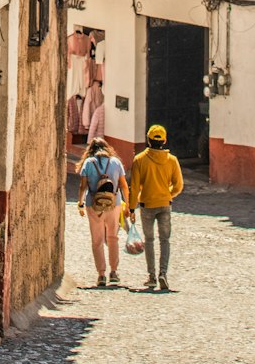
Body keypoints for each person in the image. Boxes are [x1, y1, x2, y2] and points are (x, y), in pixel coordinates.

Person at [127, 123, 183, 290]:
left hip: (147, 205)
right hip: (165, 204)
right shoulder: (172, 161)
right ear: (164, 140)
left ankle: (151, 276)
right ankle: (163, 273)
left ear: (148, 140)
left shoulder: (139, 160)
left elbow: (135, 187)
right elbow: (178, 185)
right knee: (165, 240)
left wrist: (131, 208)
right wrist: (168, 194)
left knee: (149, 240)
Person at [77, 137, 130, 286]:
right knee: (113, 237)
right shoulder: (116, 162)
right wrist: (129, 205)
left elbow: (83, 186)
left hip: (93, 204)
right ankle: (114, 271)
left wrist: (80, 203)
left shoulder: (88, 163)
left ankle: (101, 274)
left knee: (97, 240)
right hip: (114, 203)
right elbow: (124, 185)